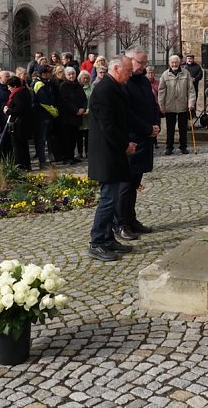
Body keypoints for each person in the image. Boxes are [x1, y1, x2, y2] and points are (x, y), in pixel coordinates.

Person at [87, 55, 137, 262]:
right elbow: (108, 125)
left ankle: (107, 238)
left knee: (112, 197)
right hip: (106, 153)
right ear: (116, 69)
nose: (129, 76)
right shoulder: (103, 90)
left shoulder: (114, 88)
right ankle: (97, 241)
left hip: (113, 152)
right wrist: (124, 144)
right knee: (108, 199)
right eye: (127, 72)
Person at [115, 47, 160, 241]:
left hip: (146, 137)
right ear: (130, 61)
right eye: (141, 62)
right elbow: (128, 114)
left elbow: (151, 104)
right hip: (132, 138)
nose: (144, 66)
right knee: (125, 185)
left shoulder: (142, 80)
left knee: (135, 184)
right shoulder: (125, 83)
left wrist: (156, 123)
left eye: (145, 63)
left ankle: (131, 219)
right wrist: (147, 128)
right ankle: (120, 223)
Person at [157, 54, 196, 155]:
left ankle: (183, 146)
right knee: (170, 128)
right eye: (172, 63)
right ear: (170, 64)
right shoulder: (165, 75)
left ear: (179, 63)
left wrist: (191, 103)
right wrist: (162, 106)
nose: (174, 64)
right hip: (169, 106)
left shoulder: (185, 73)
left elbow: (191, 90)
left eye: (176, 62)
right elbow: (161, 92)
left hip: (183, 105)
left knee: (183, 128)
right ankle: (169, 147)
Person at [57, 66, 87, 164]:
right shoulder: (63, 86)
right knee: (67, 138)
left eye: (73, 74)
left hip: (77, 116)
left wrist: (83, 108)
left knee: (74, 137)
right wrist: (76, 110)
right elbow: (65, 101)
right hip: (67, 116)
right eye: (69, 74)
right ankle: (67, 157)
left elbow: (84, 98)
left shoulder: (78, 85)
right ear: (65, 75)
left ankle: (72, 156)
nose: (71, 76)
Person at [31, 65, 59, 168]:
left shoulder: (45, 83)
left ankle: (45, 160)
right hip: (41, 116)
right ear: (43, 74)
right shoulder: (39, 84)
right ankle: (42, 161)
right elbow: (44, 102)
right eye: (49, 73)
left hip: (45, 115)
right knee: (41, 139)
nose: (51, 74)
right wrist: (54, 112)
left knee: (45, 138)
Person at [3, 75, 32, 170]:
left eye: (9, 87)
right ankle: (26, 165)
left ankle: (20, 165)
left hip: (18, 124)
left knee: (18, 146)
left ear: (14, 86)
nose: (8, 89)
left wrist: (8, 111)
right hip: (24, 123)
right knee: (23, 145)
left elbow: (19, 109)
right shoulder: (25, 91)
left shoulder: (18, 94)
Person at [78, 70, 92, 159]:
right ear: (80, 79)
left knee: (88, 135)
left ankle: (87, 151)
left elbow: (95, 100)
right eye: (84, 78)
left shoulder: (92, 87)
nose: (85, 80)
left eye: (87, 78)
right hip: (79, 114)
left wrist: (89, 110)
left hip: (89, 114)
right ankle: (79, 152)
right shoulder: (77, 87)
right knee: (79, 135)